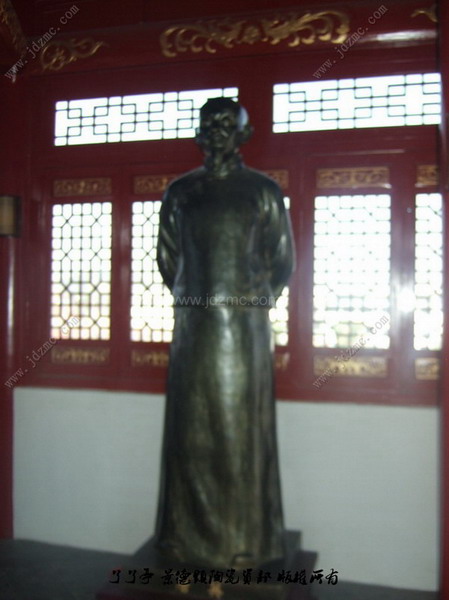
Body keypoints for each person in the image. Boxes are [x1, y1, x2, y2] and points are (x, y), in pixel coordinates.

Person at [155, 97, 294, 569]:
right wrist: (197, 301)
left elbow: (282, 261)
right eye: (209, 123)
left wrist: (247, 305)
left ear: (243, 133)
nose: (216, 130)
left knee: (239, 433)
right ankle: (182, 537)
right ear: (199, 133)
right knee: (188, 435)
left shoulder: (262, 191)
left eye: (226, 123)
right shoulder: (180, 192)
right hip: (193, 330)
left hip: (244, 334)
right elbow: (168, 259)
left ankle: (244, 540)